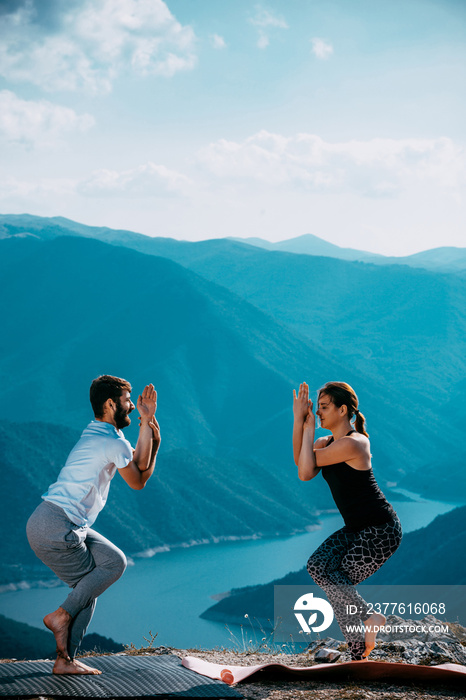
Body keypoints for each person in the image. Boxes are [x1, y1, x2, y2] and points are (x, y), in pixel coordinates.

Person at [26, 375, 161, 675]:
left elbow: (136, 459)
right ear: (110, 403)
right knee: (92, 583)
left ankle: (64, 649)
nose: (130, 405)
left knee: (113, 561)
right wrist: (152, 437)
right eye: (127, 401)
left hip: (52, 520)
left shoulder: (99, 433)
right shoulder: (110, 441)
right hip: (57, 527)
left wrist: (146, 422)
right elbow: (138, 479)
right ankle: (63, 641)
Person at [292, 381, 402, 661]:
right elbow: (303, 470)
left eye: (324, 407)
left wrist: (306, 429)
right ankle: (359, 652)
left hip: (380, 530)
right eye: (316, 408)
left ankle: (368, 621)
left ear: (343, 410)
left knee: (333, 580)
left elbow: (306, 465)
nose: (318, 413)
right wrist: (300, 422)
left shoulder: (355, 443)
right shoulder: (323, 442)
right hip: (357, 529)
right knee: (321, 569)